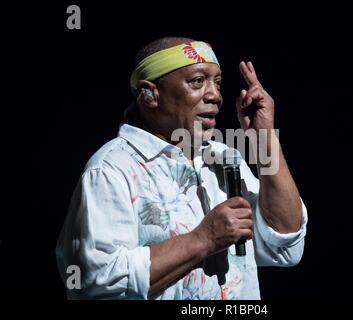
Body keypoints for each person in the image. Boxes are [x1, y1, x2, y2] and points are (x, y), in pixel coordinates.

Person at [55, 36, 308, 300]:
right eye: (198, 81)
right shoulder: (111, 169)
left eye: (217, 83)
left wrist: (263, 138)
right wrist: (203, 240)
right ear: (150, 94)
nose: (215, 95)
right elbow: (91, 281)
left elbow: (286, 242)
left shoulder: (223, 157)